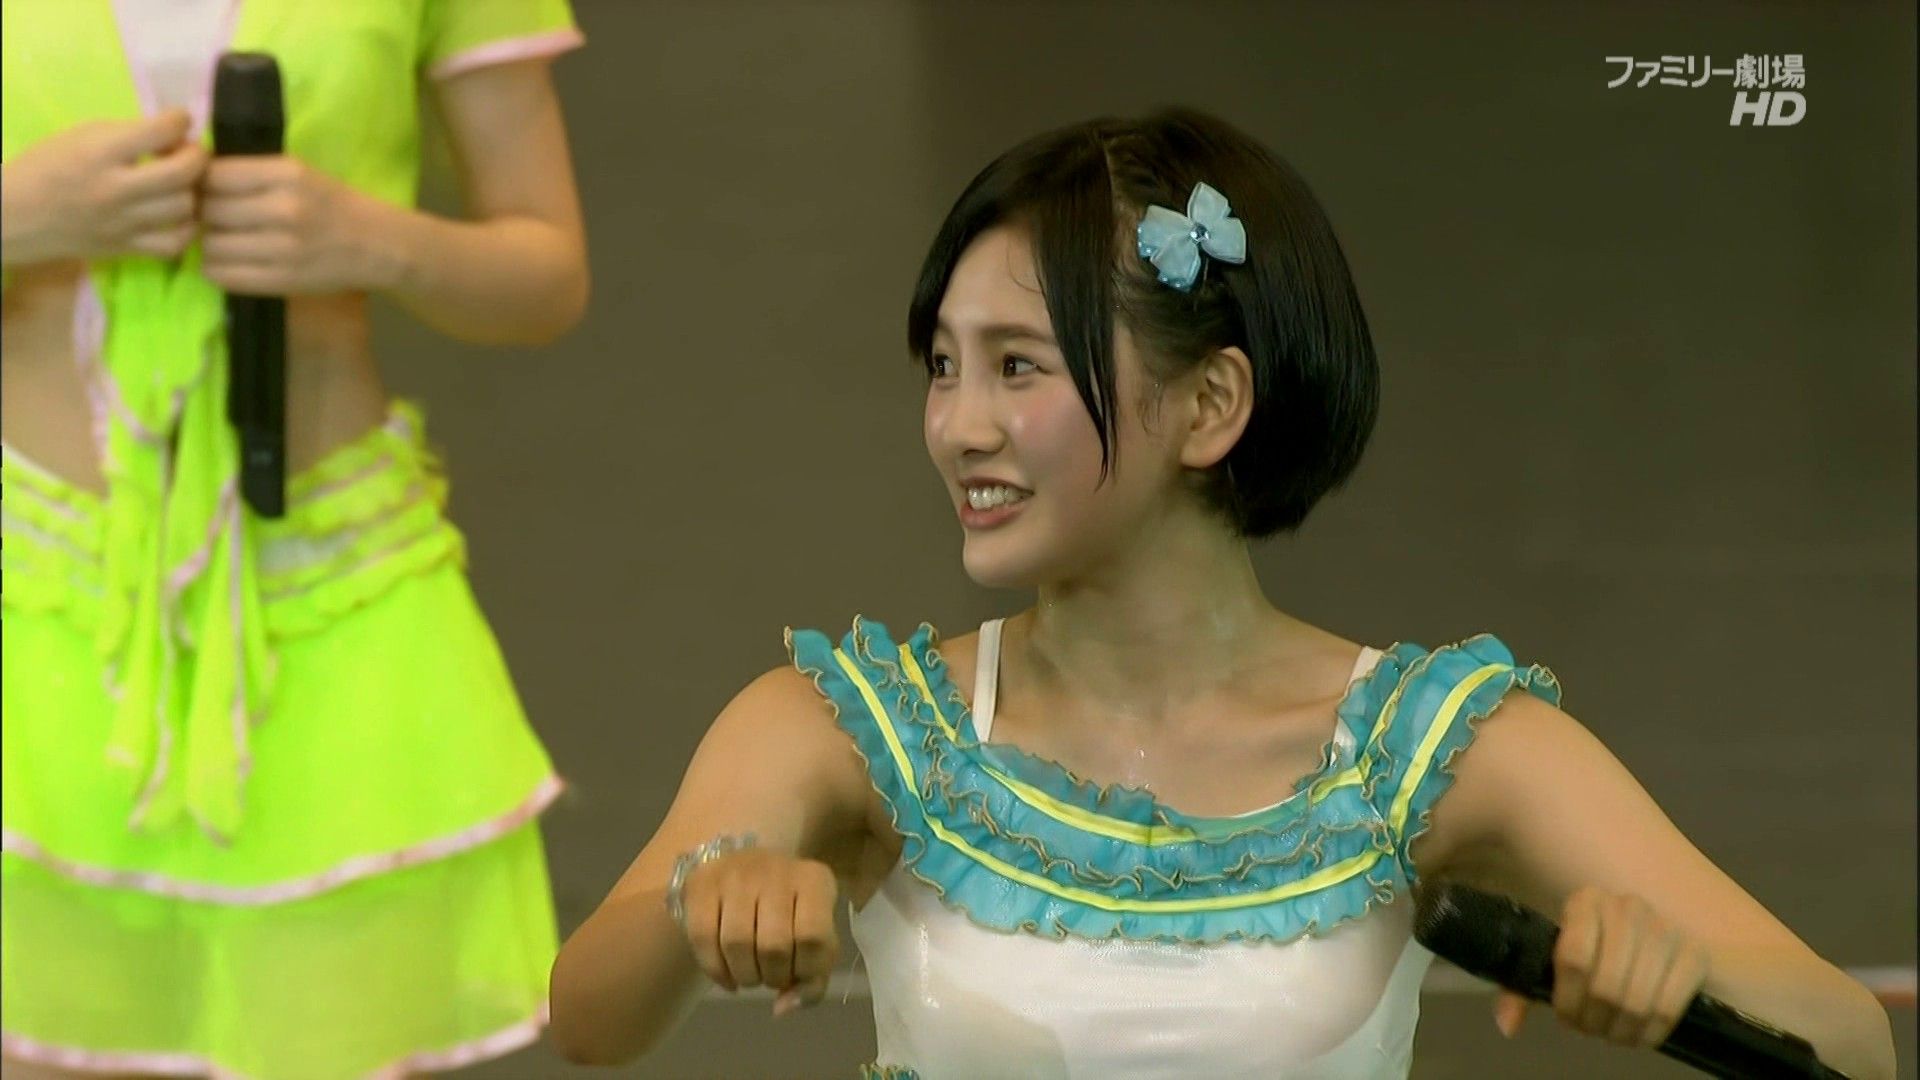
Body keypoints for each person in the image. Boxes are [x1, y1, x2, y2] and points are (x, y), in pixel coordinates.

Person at [547, 109, 1894, 1079]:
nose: (958, 425)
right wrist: (703, 901)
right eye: (943, 365)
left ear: (1211, 403)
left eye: (1018, 366)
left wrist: (1670, 977)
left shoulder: (1432, 745)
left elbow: (1853, 1040)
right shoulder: (851, 728)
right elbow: (590, 1017)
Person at [1, 2, 588, 1077]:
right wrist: (17, 215)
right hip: (31, 599)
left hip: (335, 600)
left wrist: (374, 239)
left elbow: (547, 276)